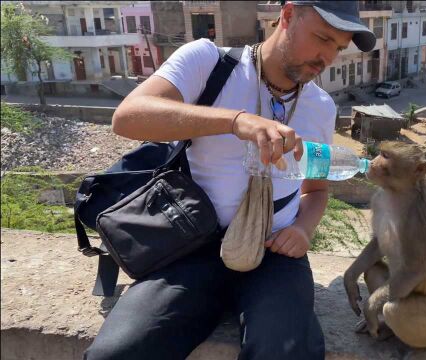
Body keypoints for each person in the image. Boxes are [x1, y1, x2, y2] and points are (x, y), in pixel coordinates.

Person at [83, 1, 375, 359]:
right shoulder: (209, 62)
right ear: (286, 16)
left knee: (283, 352)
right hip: (192, 245)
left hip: (273, 254)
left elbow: (315, 190)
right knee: (117, 353)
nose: (326, 56)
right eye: (322, 38)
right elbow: (128, 118)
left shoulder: (321, 106)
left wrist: (303, 230)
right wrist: (235, 121)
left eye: (337, 47)